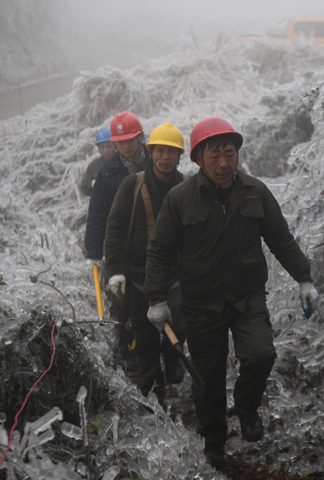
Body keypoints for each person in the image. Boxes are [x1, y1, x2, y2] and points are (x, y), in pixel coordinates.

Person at [142, 117, 318, 467]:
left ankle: (247, 405)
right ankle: (213, 441)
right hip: (201, 303)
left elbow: (280, 238)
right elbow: (160, 250)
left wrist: (304, 278)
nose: (224, 163)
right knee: (207, 379)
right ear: (198, 158)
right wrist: (156, 299)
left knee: (261, 354)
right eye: (215, 156)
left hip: (247, 297)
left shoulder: (255, 191)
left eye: (230, 154)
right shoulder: (180, 199)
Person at [103, 123, 189, 408]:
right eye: (160, 151)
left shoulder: (187, 186)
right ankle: (154, 390)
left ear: (179, 156)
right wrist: (115, 270)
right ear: (150, 152)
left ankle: (173, 356)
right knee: (144, 336)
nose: (165, 157)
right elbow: (115, 228)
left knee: (180, 323)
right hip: (137, 277)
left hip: (176, 276)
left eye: (171, 152)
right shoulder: (132, 184)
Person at [85, 112, 150, 359]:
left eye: (130, 139)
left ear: (140, 137)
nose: (126, 146)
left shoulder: (156, 162)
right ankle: (128, 353)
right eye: (120, 141)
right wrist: (94, 252)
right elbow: (97, 214)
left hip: (156, 244)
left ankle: (161, 353)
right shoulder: (107, 174)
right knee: (122, 301)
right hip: (120, 247)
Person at [79, 127, 116, 197]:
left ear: (115, 146)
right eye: (102, 147)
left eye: (109, 146)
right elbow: (84, 186)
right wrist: (93, 183)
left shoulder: (123, 161)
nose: (106, 150)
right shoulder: (93, 166)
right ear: (98, 149)